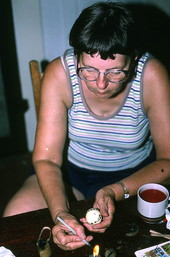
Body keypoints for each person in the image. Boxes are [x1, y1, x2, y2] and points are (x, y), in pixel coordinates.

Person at [3, 1, 170, 251]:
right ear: (77, 56)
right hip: (71, 174)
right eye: (89, 70)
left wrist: (116, 190)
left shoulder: (152, 75)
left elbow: (167, 159)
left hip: (133, 177)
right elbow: (46, 161)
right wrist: (60, 213)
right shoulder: (60, 74)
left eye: (115, 72)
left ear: (134, 59)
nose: (100, 84)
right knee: (14, 222)